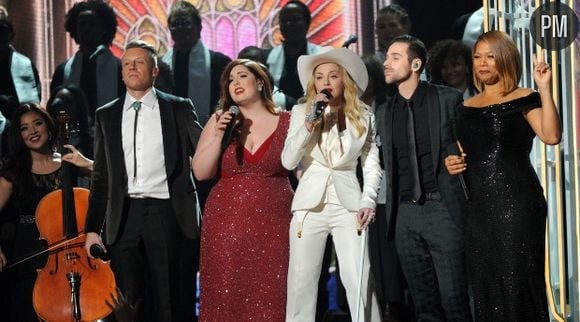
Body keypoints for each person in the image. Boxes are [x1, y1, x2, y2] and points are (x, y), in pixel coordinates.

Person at [83, 40, 203, 322]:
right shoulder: (106, 115)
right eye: (126, 64)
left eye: (139, 62)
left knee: (168, 298)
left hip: (167, 212)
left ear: (154, 71)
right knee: (127, 301)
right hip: (123, 217)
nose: (132, 67)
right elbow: (101, 178)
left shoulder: (178, 108)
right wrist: (92, 229)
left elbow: (204, 152)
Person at [445, 30, 561, 321]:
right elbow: (460, 154)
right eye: (477, 56)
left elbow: (551, 135)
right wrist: (452, 162)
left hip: (517, 206)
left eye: (490, 56)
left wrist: (544, 88)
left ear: (505, 59)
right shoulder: (464, 107)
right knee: (487, 286)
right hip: (478, 210)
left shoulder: (524, 98)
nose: (482, 63)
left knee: (518, 283)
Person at [281, 47, 382, 322]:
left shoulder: (364, 114)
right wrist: (309, 124)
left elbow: (371, 164)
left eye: (333, 75)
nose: (325, 82)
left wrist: (368, 201)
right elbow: (289, 161)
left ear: (344, 80)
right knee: (301, 281)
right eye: (320, 76)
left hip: (349, 204)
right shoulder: (302, 111)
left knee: (358, 278)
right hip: (309, 207)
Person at [377, 35, 472, 321]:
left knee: (454, 298)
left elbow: (468, 145)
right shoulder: (383, 112)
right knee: (424, 304)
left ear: (416, 63)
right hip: (404, 214)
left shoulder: (448, 99)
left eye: (395, 57)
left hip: (442, 207)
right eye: (387, 57)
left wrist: (462, 159)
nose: (387, 62)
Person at [193, 59, 292, 321]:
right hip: (226, 224)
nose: (235, 83)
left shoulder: (288, 121)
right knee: (227, 296)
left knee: (272, 295)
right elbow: (201, 172)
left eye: (242, 76)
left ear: (260, 82)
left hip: (275, 223)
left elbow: (304, 171)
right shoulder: (220, 121)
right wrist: (218, 135)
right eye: (230, 80)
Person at [0, 104, 93, 322]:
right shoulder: (14, 169)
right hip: (28, 248)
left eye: (37, 123)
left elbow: (108, 179)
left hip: (69, 248)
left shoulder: (68, 162)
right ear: (18, 135)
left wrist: (86, 163)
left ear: (48, 127)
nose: (32, 131)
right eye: (24, 128)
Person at [51, 0, 124, 122]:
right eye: (82, 24)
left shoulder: (120, 69)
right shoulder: (63, 71)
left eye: (92, 24)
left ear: (103, 28)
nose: (86, 29)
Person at [161, 0, 231, 126]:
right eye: (175, 24)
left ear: (199, 27)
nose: (181, 28)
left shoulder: (219, 63)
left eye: (186, 23)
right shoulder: (161, 65)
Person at [266, 1, 323, 107]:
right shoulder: (267, 58)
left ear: (307, 23)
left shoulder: (322, 56)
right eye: (284, 20)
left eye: (295, 20)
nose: (289, 24)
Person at [0, 14, 41, 122]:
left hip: (17, 121)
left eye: (3, 31)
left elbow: (34, 96)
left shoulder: (24, 64)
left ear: (11, 35)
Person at [46, 85, 92, 159]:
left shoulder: (92, 137)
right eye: (58, 103)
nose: (62, 107)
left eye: (68, 102)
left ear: (78, 107)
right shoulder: (47, 137)